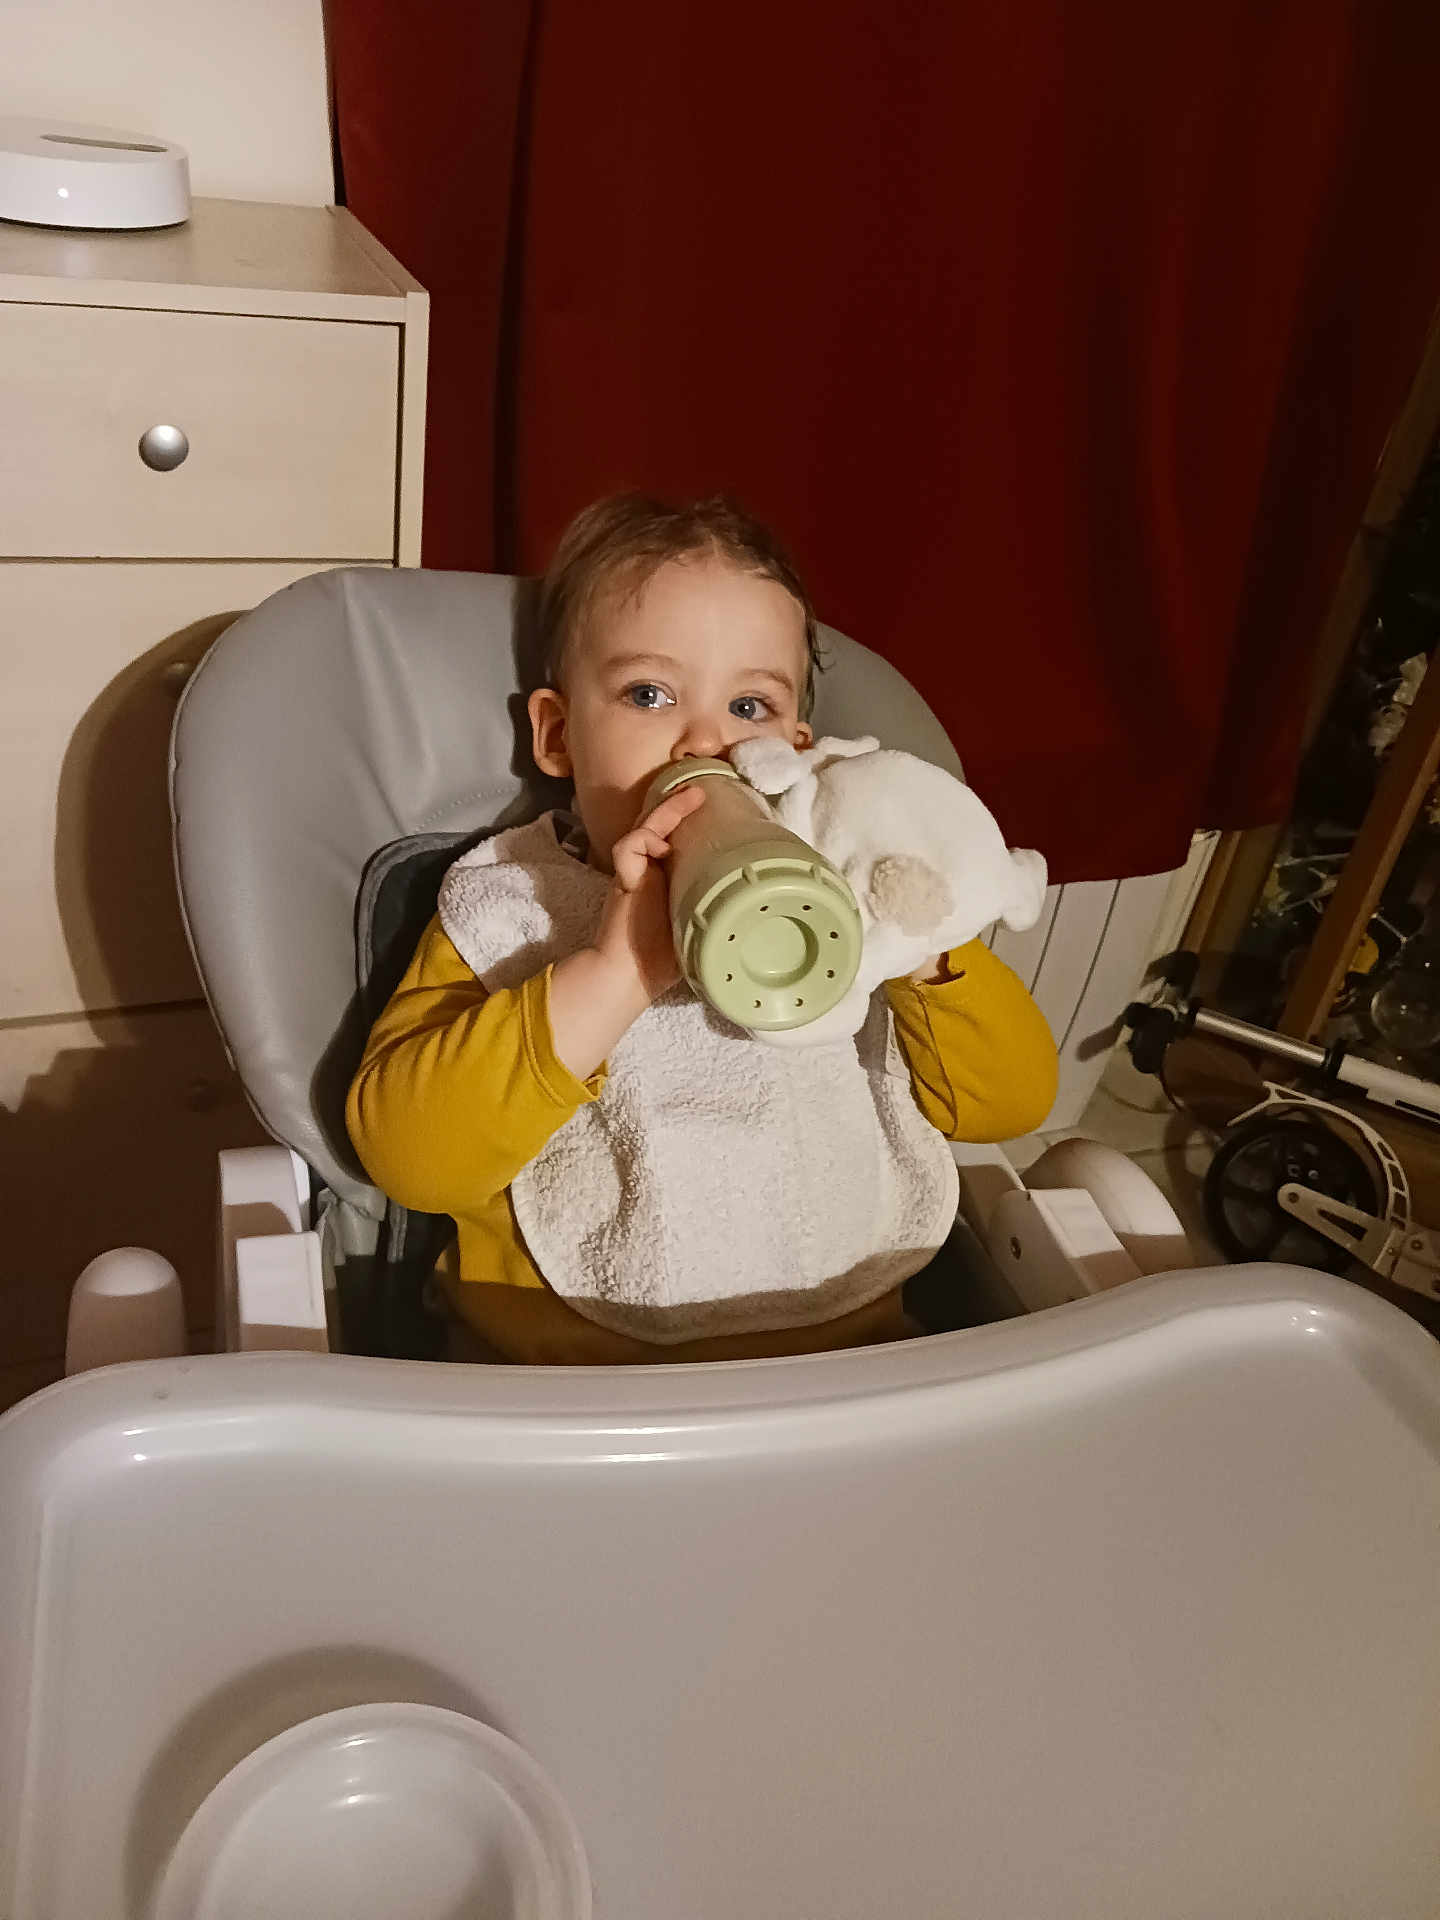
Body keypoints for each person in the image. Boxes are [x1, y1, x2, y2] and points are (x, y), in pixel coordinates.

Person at [347, 494, 1057, 1363]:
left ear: (798, 750)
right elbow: (410, 1162)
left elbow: (1013, 1106)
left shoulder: (846, 895)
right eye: (649, 694)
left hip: (846, 1374)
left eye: (750, 708)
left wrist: (917, 941)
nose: (705, 743)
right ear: (559, 735)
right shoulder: (513, 905)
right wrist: (614, 976)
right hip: (564, 1392)